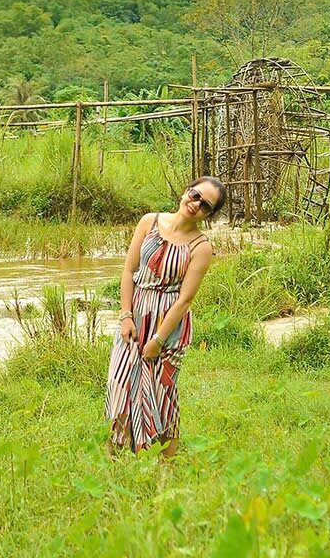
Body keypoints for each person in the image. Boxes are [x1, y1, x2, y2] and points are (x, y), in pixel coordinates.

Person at [104, 176, 226, 456]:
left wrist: (158, 340)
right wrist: (125, 315)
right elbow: (128, 271)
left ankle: (166, 465)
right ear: (186, 191)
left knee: (162, 393)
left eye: (205, 206)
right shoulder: (149, 222)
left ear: (208, 215)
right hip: (135, 315)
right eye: (195, 195)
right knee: (120, 383)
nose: (196, 204)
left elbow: (185, 300)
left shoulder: (201, 247)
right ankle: (113, 457)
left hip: (168, 326)